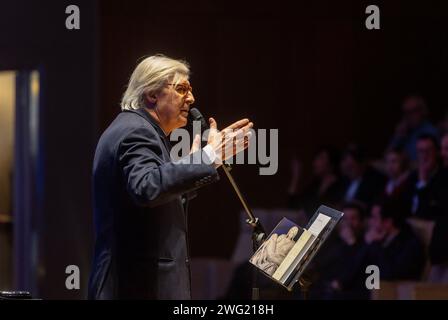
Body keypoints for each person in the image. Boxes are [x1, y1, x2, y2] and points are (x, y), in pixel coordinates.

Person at [88, 55, 253, 299]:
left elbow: (151, 198)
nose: (191, 98)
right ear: (151, 94)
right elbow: (146, 187)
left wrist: (200, 162)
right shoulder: (136, 131)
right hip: (133, 287)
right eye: (182, 89)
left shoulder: (140, 130)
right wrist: (208, 157)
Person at [365, 199, 425, 281]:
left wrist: (375, 245)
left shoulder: (410, 244)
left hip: (391, 290)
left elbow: (389, 274)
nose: (371, 222)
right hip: (368, 286)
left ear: (388, 222)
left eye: (374, 218)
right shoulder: (381, 238)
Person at [388, 95, 438, 162]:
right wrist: (398, 135)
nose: (408, 116)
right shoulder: (404, 131)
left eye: (413, 111)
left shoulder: (430, 132)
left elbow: (423, 161)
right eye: (406, 112)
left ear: (423, 111)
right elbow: (387, 156)